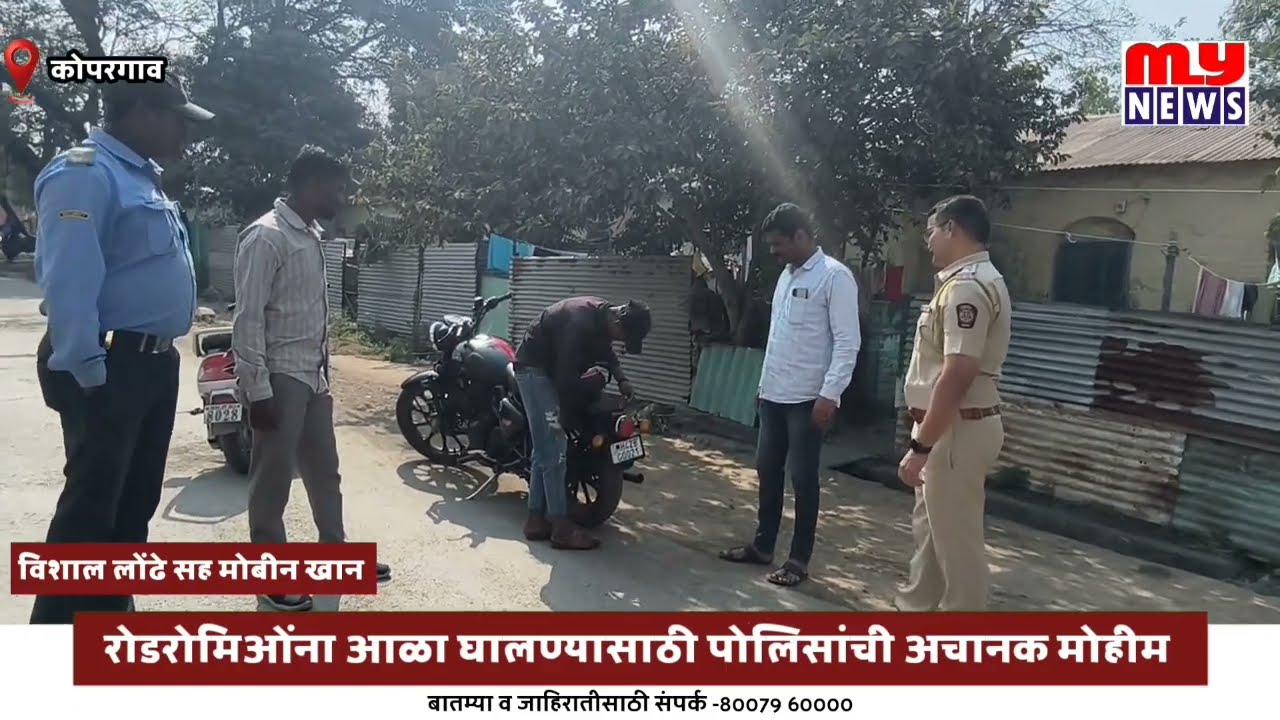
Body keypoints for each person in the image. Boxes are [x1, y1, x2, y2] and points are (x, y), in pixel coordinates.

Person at [30, 75, 213, 624]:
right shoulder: (84, 174)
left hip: (152, 364)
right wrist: (91, 375)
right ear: (140, 111)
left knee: (132, 512)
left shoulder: (140, 178)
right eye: (178, 119)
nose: (185, 133)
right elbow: (69, 282)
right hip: (111, 364)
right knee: (89, 519)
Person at [233, 146, 391, 612]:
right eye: (337, 190)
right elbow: (248, 319)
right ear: (312, 185)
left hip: (313, 376)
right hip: (279, 376)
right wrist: (257, 390)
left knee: (325, 472)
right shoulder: (266, 236)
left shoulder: (309, 235)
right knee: (273, 481)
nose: (342, 199)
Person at [719, 203, 860, 587]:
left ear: (801, 236)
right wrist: (762, 388)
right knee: (767, 470)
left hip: (807, 400)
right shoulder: (786, 276)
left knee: (802, 478)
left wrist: (830, 396)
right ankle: (763, 547)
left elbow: (847, 343)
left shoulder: (834, 277)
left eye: (778, 244)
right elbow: (779, 338)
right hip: (774, 396)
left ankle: (798, 560)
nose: (774, 251)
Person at [895, 194, 1011, 612]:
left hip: (955, 429)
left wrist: (921, 446)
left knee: (957, 546)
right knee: (933, 533)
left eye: (931, 232)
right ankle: (915, 609)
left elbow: (959, 370)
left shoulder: (966, 287)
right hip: (951, 426)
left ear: (951, 229)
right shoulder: (968, 281)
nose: (927, 241)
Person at [513, 296, 652, 550]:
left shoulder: (603, 318)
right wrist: (574, 411)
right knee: (555, 450)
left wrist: (621, 379)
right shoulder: (579, 323)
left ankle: (535, 520)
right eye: (624, 336)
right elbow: (565, 377)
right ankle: (560, 528)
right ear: (617, 321)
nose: (621, 342)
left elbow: (606, 352)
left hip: (554, 371)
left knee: (543, 450)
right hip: (535, 371)